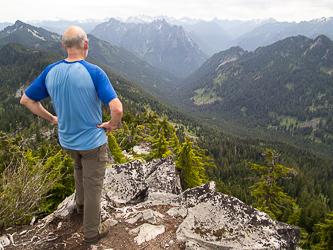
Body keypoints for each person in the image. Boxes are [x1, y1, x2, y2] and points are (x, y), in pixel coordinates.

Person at [20, 26, 123, 245]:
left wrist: (52, 118)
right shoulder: (94, 72)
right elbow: (117, 109)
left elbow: (27, 100)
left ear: (64, 46)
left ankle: (81, 206)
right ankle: (92, 231)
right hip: (92, 142)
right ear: (86, 45)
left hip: (67, 140)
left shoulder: (50, 71)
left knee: (78, 169)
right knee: (94, 184)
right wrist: (112, 125)